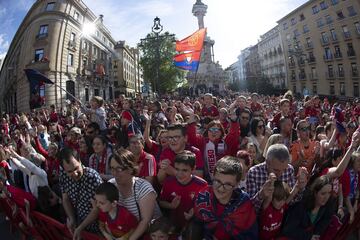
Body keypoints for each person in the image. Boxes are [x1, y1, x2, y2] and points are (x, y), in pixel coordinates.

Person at [193, 156, 258, 239]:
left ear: (237, 184)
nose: (220, 188)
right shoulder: (203, 196)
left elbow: (251, 235)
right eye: (218, 181)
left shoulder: (244, 203)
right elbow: (197, 224)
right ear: (213, 176)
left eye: (227, 184)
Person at [246, 144, 308, 211]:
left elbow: (292, 202)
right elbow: (250, 208)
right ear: (267, 162)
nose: (280, 173)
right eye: (276, 170)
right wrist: (261, 195)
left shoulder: (289, 169)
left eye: (284, 169)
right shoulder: (254, 173)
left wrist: (300, 188)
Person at [159, 151, 208, 232]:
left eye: (184, 170)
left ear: (193, 169)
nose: (179, 174)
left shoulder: (202, 185)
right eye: (177, 169)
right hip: (173, 225)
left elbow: (206, 208)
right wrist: (171, 205)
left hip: (194, 226)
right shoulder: (169, 182)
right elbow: (161, 202)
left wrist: (194, 212)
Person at [58, 148, 103, 234]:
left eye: (76, 168)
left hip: (97, 228)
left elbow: (97, 209)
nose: (74, 174)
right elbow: (65, 198)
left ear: (80, 161)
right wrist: (72, 219)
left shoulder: (92, 177)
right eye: (69, 171)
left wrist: (80, 228)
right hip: (79, 223)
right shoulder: (63, 176)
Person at [281, 175, 335, 240]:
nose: (326, 197)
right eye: (323, 194)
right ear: (315, 193)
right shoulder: (300, 206)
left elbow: (321, 227)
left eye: (329, 193)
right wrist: (308, 236)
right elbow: (288, 230)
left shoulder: (328, 206)